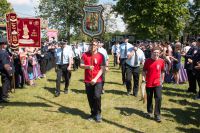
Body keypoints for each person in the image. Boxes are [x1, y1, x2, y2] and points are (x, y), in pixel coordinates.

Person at [80, 38, 105, 122]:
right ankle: (93, 113)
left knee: (97, 96)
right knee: (90, 97)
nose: (92, 46)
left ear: (97, 46)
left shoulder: (101, 55)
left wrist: (95, 78)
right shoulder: (85, 54)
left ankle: (98, 113)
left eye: (94, 45)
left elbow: (102, 69)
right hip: (87, 80)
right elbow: (81, 65)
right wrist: (87, 67)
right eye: (91, 44)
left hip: (97, 80)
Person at [142, 47, 165, 122]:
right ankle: (149, 112)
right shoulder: (147, 61)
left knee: (158, 98)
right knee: (149, 97)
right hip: (149, 83)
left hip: (158, 83)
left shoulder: (161, 61)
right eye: (154, 52)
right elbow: (144, 71)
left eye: (157, 52)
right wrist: (143, 78)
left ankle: (157, 114)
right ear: (152, 52)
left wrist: (162, 81)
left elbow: (162, 71)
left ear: (159, 53)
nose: (156, 54)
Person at [0, 38, 15, 103]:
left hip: (7, 69)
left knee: (7, 83)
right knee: (5, 83)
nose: (6, 44)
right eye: (5, 43)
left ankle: (5, 95)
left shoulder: (5, 51)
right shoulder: (2, 52)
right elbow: (5, 63)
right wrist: (9, 71)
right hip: (5, 70)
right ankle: (3, 97)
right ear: (3, 45)